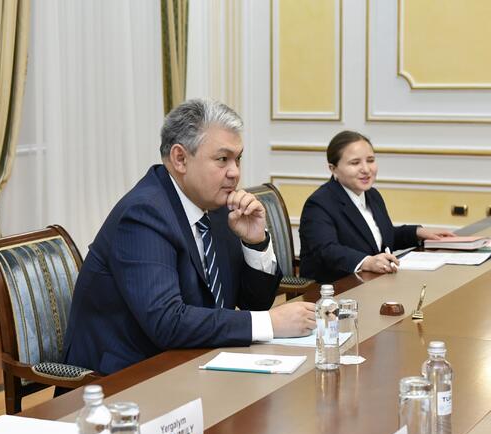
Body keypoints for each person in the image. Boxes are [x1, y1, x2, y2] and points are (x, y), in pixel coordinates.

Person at [62, 99, 316, 375]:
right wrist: (269, 323)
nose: (235, 172)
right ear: (180, 159)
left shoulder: (216, 207)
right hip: (124, 378)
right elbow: (167, 322)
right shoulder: (143, 214)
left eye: (238, 159)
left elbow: (254, 303)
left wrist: (254, 243)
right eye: (223, 159)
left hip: (194, 362)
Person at [299, 130, 453, 283]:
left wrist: (417, 233)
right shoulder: (319, 203)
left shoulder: (372, 195)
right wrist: (366, 262)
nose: (366, 169)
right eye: (355, 163)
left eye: (370, 160)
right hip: (333, 290)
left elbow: (378, 237)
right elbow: (326, 250)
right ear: (333, 169)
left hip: (372, 284)